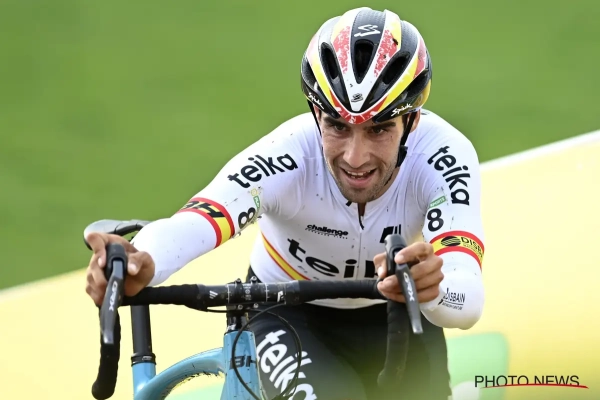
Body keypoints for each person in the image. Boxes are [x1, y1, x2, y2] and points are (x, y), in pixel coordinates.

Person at [84, 7, 485, 400]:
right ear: (315, 113)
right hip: (287, 312)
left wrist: (434, 290)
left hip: (394, 309)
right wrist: (143, 261)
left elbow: (465, 301)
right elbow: (198, 220)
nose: (355, 157)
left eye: (379, 129)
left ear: (412, 121)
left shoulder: (444, 156)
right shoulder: (289, 153)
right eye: (337, 125)